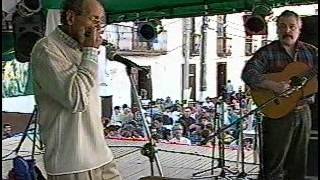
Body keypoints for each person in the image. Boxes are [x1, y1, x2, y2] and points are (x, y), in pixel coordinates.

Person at [30, 0, 122, 179]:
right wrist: (90, 51)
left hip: (102, 156)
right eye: (94, 20)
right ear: (71, 18)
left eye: (101, 22)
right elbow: (76, 100)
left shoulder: (86, 51)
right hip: (73, 164)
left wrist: (88, 52)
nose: (98, 28)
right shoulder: (47, 49)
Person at [241, 10, 318, 180]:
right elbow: (248, 73)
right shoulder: (267, 52)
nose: (287, 31)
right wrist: (273, 86)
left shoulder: (311, 52)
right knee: (273, 166)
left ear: (299, 28)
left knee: (298, 166)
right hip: (277, 115)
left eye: (292, 27)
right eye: (283, 26)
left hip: (303, 112)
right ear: (277, 29)